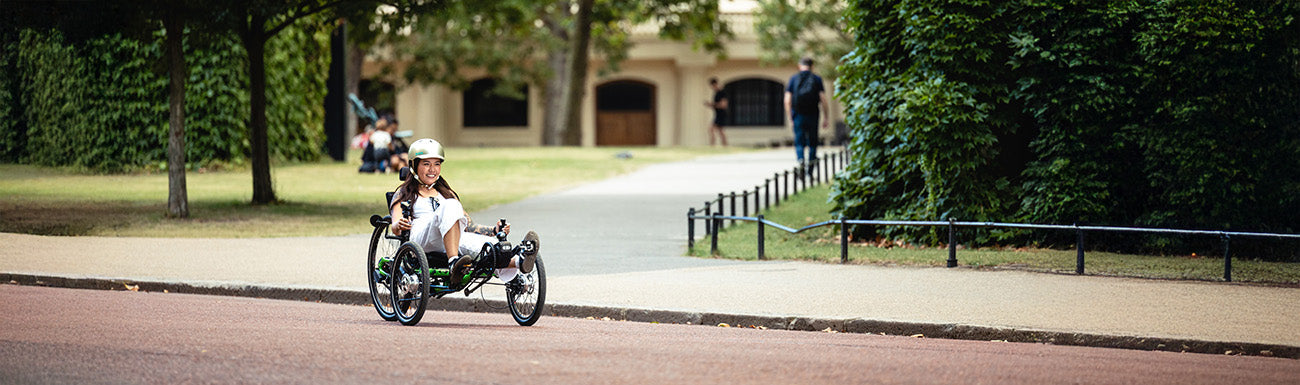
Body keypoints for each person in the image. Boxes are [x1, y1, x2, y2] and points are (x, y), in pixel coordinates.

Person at [387, 138, 539, 286]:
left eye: (437, 164)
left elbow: (469, 226)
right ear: (414, 165)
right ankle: (454, 262)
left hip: (450, 239)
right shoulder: (404, 192)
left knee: (491, 246)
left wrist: (494, 230)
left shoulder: (446, 193)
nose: (432, 169)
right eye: (426, 164)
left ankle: (519, 262)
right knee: (451, 205)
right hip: (421, 239)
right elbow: (395, 224)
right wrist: (398, 225)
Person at [784, 57, 830, 170]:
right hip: (813, 114)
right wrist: (826, 117)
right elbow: (823, 99)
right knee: (813, 142)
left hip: (798, 114)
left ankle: (800, 161)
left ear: (799, 66)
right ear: (812, 66)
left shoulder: (793, 79)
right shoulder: (817, 79)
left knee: (799, 142)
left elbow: (787, 100)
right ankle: (810, 169)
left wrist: (790, 117)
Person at [704, 77, 728, 146]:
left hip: (721, 114)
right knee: (720, 131)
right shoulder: (716, 93)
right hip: (718, 114)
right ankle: (724, 145)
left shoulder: (722, 92)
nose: (712, 87)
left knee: (711, 129)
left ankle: (713, 145)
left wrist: (711, 104)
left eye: (713, 86)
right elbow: (717, 105)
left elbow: (723, 105)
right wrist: (711, 105)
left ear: (715, 84)